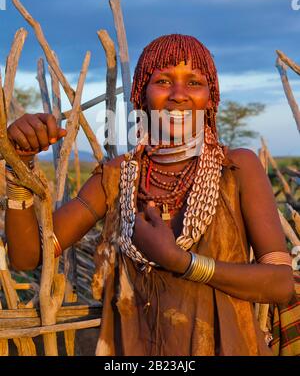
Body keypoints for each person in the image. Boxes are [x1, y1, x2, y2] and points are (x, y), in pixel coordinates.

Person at [4, 34, 294, 356]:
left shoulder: (236, 168)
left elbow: (280, 284)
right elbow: (28, 257)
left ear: (211, 98)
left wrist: (181, 261)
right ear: (142, 94)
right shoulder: (117, 177)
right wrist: (20, 164)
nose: (179, 95)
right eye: (163, 81)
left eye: (194, 82)